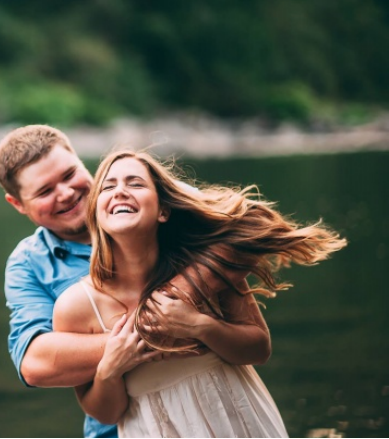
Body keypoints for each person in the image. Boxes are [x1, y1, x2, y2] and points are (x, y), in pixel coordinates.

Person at [0, 126, 287, 438]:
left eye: (69, 175)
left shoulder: (158, 208)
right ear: (18, 204)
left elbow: (252, 226)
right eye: (44, 191)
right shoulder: (30, 265)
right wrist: (147, 331)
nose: (65, 193)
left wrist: (183, 302)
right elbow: (36, 364)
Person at [53, 150, 347, 437]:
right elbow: (106, 414)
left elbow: (259, 349)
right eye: (108, 186)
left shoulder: (204, 267)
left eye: (136, 183)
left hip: (237, 420)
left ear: (163, 211)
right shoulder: (76, 305)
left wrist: (200, 326)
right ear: (96, 214)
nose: (119, 191)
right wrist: (109, 370)